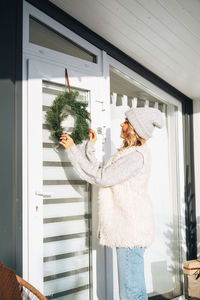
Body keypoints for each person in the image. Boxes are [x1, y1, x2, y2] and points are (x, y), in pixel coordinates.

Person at [59, 107, 164, 300]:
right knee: (136, 291)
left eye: (126, 121)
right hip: (131, 229)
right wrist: (90, 147)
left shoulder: (135, 157)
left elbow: (102, 178)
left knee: (131, 293)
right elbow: (103, 172)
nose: (121, 124)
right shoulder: (129, 153)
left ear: (134, 128)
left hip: (130, 232)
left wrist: (72, 149)